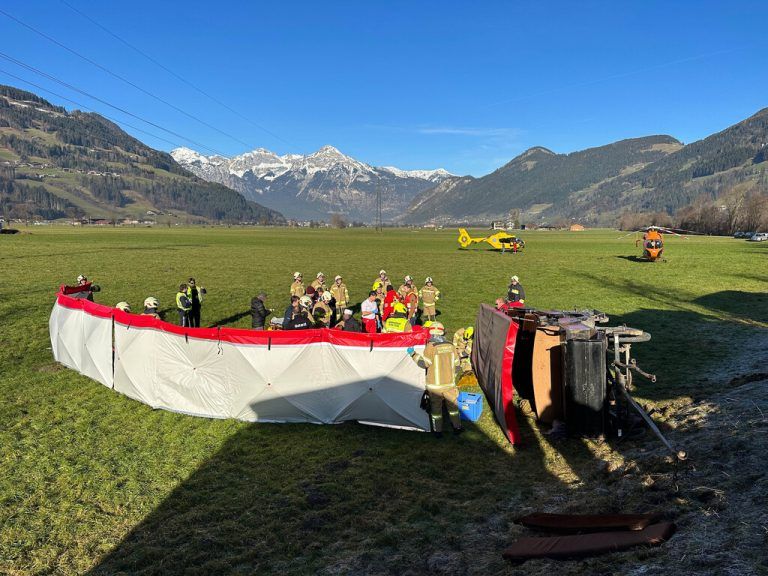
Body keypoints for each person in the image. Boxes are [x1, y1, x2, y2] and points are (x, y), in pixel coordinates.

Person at [407, 322, 463, 437]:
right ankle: (457, 428)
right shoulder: (451, 346)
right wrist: (452, 377)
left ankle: (438, 432)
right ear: (443, 332)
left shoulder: (430, 347)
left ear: (431, 333)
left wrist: (413, 354)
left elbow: (424, 364)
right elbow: (457, 365)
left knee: (436, 410)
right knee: (453, 408)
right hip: (450, 384)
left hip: (435, 387)